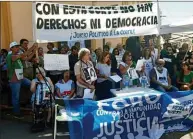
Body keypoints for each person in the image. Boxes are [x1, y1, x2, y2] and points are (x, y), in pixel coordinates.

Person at [6, 41, 35, 118]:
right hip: (14, 80)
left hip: (21, 78)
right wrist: (32, 47)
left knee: (33, 84)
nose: (17, 48)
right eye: (15, 47)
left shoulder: (17, 55)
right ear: (11, 48)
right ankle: (16, 113)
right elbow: (24, 54)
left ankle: (33, 104)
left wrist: (34, 51)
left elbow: (27, 58)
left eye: (18, 46)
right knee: (16, 97)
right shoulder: (10, 55)